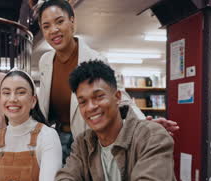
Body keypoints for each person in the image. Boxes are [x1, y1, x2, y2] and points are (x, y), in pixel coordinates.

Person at [33, 0, 179, 161]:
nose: (54, 30)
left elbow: (121, 98)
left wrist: (144, 125)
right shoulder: (45, 61)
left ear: (72, 21)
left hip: (84, 141)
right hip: (53, 140)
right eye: (46, 26)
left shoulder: (95, 59)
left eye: (59, 21)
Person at [50, 60, 184, 181]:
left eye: (99, 96)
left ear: (118, 97)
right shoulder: (83, 143)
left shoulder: (152, 136)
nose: (91, 107)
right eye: (82, 102)